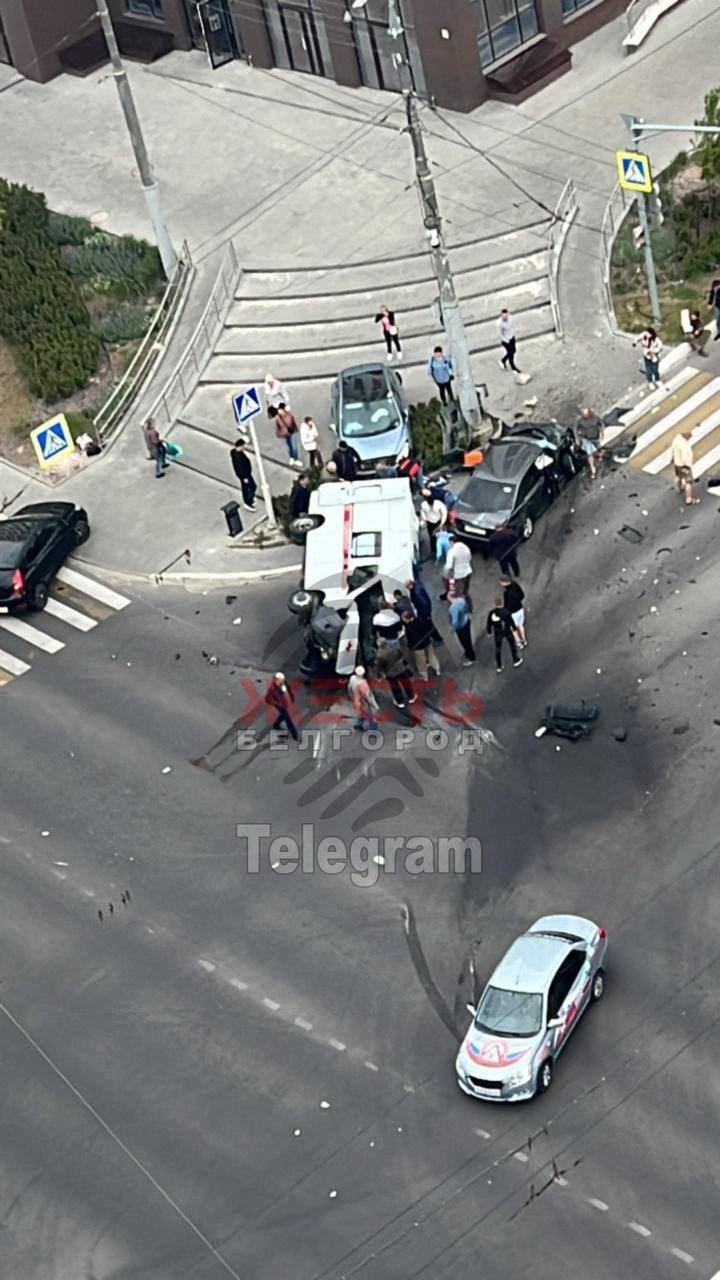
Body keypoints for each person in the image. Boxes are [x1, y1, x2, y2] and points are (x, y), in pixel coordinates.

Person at [375, 635, 416, 708]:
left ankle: (400, 702)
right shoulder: (394, 648)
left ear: (378, 644)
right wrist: (405, 664)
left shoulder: (379, 655)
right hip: (401, 669)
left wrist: (378, 676)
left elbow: (379, 667)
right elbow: (402, 656)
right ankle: (411, 697)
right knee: (406, 683)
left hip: (390, 674)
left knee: (395, 688)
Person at [486, 598, 523, 673]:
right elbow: (511, 621)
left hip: (498, 633)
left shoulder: (491, 613)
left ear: (495, 604)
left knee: (498, 649)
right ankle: (515, 659)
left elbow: (489, 623)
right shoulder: (506, 612)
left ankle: (499, 666)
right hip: (507, 631)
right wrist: (515, 629)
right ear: (501, 603)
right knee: (512, 645)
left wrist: (489, 631)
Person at [401, 610, 440, 681]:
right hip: (427, 642)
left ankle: (424, 676)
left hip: (418, 647)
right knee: (431, 656)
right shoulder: (421, 620)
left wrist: (410, 647)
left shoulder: (408, 628)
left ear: (407, 618)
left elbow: (410, 640)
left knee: (421, 662)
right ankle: (437, 669)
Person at [264, 672, 299, 740]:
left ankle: (276, 724)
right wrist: (277, 704)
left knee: (283, 716)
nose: (282, 681)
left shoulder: (283, 684)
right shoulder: (272, 689)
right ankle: (295, 735)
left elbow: (288, 690)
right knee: (288, 719)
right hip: (280, 705)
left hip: (285, 703)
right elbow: (267, 699)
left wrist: (291, 697)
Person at [671, 430, 699, 505]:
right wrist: (689, 465)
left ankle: (680, 488)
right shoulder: (685, 446)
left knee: (678, 477)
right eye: (689, 435)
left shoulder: (676, 438)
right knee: (688, 482)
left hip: (677, 463)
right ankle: (689, 499)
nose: (690, 437)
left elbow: (673, 450)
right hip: (684, 466)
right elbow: (685, 459)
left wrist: (672, 458)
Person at [441, 534, 473, 602]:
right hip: (468, 571)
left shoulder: (452, 551)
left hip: (459, 575)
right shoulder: (466, 547)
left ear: (452, 542)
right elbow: (470, 558)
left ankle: (453, 600)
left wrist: (446, 573)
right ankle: (469, 604)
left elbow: (449, 566)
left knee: (457, 594)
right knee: (465, 591)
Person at [448, 591, 476, 666]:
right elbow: (467, 608)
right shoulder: (461, 600)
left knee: (465, 642)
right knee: (468, 640)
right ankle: (469, 653)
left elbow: (454, 621)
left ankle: (471, 657)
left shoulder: (452, 608)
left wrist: (453, 629)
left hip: (461, 627)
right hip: (466, 621)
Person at [575, 407, 603, 481]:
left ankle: (599, 455)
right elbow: (575, 429)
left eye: (587, 414)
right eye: (584, 414)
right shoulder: (579, 420)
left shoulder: (595, 417)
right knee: (589, 453)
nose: (586, 415)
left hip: (595, 436)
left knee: (598, 448)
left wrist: (601, 433)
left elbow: (601, 424)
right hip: (586, 438)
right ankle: (592, 468)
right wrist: (577, 439)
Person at [230, 438, 258, 510]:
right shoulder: (238, 457)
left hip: (246, 475)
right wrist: (244, 477)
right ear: (240, 446)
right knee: (249, 488)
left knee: (251, 487)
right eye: (243, 446)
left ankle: (250, 499)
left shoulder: (237, 453)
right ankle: (248, 503)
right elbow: (240, 468)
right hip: (245, 476)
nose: (244, 447)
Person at [348, 666, 378, 732]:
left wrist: (351, 696)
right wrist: (374, 705)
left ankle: (358, 725)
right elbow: (369, 697)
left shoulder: (352, 678)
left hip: (356, 701)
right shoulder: (363, 684)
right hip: (363, 704)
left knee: (362, 714)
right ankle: (373, 731)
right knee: (372, 718)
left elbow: (349, 688)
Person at [420, 489, 447, 559]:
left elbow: (444, 513)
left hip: (438, 522)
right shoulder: (423, 505)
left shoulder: (438, 504)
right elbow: (423, 513)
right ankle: (434, 552)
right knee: (432, 538)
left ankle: (442, 551)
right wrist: (425, 520)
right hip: (430, 523)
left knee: (441, 537)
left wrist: (442, 523)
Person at [500, 575, 526, 648]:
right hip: (520, 609)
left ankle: (519, 643)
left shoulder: (506, 593)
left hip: (513, 613)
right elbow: (522, 595)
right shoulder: (515, 584)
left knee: (514, 629)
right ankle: (524, 640)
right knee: (521, 625)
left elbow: (506, 605)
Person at [497, 308, 521, 374]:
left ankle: (503, 361)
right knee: (511, 353)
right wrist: (506, 341)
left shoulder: (510, 318)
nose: (505, 318)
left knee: (514, 350)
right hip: (506, 341)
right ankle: (513, 368)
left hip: (511, 337)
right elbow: (500, 334)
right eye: (504, 317)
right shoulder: (499, 323)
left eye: (506, 316)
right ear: (501, 316)